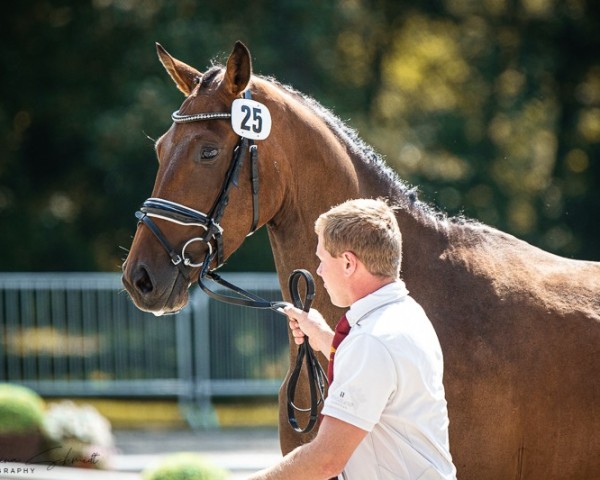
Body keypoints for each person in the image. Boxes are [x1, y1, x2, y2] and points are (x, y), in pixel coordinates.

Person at [248, 198, 456, 480]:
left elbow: (325, 461)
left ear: (348, 263)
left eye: (322, 259)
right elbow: (375, 370)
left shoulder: (371, 341)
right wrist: (321, 335)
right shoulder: (404, 314)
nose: (319, 271)